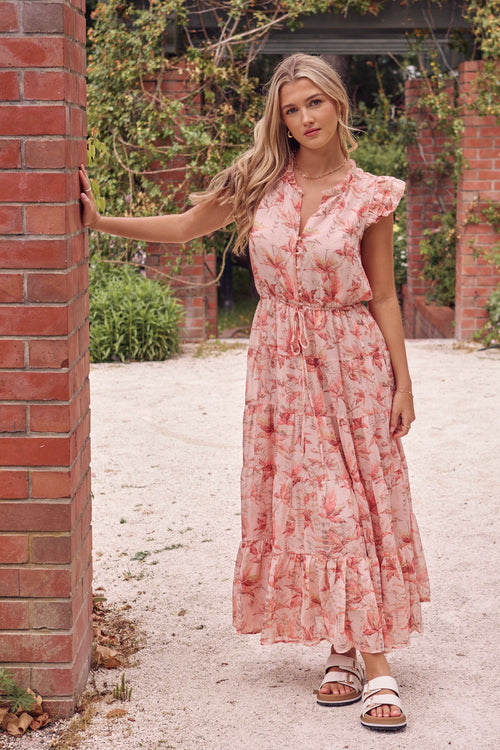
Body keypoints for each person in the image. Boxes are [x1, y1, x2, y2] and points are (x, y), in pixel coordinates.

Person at [80, 53, 430, 732]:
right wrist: (100, 224)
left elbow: (385, 293)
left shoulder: (370, 195)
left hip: (351, 364)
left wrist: (403, 382)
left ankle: (372, 664)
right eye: (293, 108)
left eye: (315, 103)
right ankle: (342, 646)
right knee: (316, 506)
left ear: (339, 104)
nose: (305, 118)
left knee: (350, 504)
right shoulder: (259, 182)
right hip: (281, 370)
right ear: (283, 118)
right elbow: (185, 227)